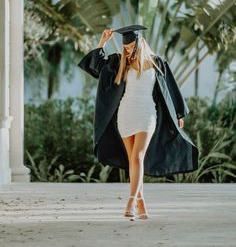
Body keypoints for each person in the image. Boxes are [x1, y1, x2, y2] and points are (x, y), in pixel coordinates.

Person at [77, 25, 199, 221]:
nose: (128, 50)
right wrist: (102, 43)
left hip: (147, 114)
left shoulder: (157, 63)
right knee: (133, 160)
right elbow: (96, 67)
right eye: (126, 47)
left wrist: (178, 113)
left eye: (131, 46)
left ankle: (131, 201)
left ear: (140, 43)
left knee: (138, 157)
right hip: (125, 114)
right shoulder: (119, 63)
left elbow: (170, 89)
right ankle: (141, 204)